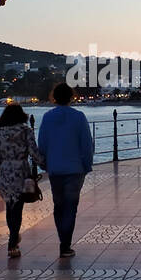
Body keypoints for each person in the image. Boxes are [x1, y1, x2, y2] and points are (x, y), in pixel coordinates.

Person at [36, 82, 94, 257]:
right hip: (75, 169)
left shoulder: (47, 117)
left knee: (59, 205)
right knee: (70, 206)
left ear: (54, 97)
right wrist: (87, 165)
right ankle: (65, 245)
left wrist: (44, 163)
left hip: (55, 169)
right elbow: (87, 144)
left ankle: (63, 239)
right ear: (71, 97)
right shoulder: (79, 117)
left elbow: (42, 143)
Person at [0, 103, 45, 257]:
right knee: (18, 208)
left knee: (9, 206)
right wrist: (44, 164)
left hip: (5, 173)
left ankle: (13, 237)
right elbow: (33, 152)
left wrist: (0, 167)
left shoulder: (0, 133)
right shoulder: (26, 131)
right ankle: (12, 243)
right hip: (21, 172)